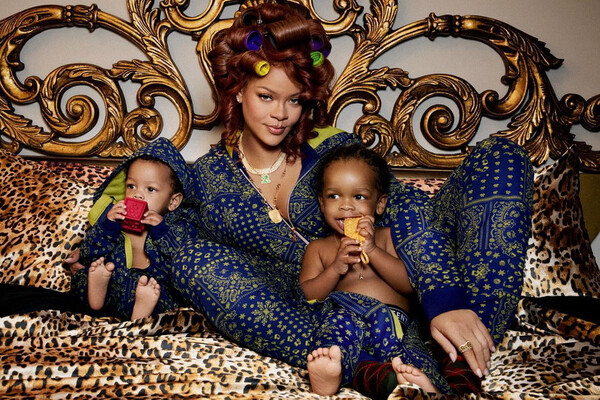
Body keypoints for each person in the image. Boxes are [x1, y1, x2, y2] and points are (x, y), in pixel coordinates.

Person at [68, 1, 533, 396]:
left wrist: (445, 299)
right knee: (192, 260)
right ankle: (365, 368)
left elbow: (408, 209)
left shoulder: (336, 150)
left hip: (417, 290)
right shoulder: (204, 178)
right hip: (306, 316)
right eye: (267, 96)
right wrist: (100, 257)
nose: (281, 114)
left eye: (295, 100)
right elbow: (157, 235)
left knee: (503, 156)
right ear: (237, 92)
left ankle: (461, 351)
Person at [299, 143, 441, 395]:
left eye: (359, 197)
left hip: (394, 323)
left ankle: (420, 383)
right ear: (321, 203)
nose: (346, 206)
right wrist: (335, 268)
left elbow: (409, 285)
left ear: (380, 203)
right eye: (334, 196)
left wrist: (373, 250)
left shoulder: (388, 237)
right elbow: (307, 295)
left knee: (414, 351)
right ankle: (330, 371)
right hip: (348, 317)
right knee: (335, 332)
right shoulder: (319, 248)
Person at [70, 138, 197, 320]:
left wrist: (162, 230)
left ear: (173, 201)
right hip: (114, 287)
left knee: (171, 296)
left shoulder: (178, 226)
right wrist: (108, 226)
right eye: (131, 186)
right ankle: (97, 296)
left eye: (150, 189)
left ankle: (142, 311)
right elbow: (88, 253)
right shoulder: (113, 220)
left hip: (151, 289)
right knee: (82, 276)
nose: (137, 194)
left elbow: (184, 258)